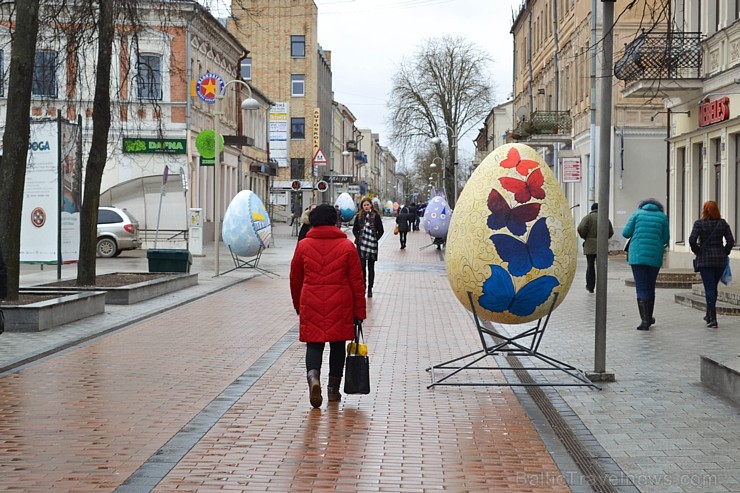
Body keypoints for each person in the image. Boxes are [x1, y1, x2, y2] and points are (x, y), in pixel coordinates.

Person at [290, 204, 366, 408]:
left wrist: (298, 304)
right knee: (337, 345)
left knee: (314, 345)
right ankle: (333, 390)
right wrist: (359, 311)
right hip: (340, 302)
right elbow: (357, 282)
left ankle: (313, 379)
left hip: (311, 300)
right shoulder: (347, 246)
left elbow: (295, 278)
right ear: (335, 221)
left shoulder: (303, 245)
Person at [622, 198, 670, 331]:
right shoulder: (662, 217)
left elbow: (625, 233)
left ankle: (644, 321)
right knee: (650, 285)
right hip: (654, 255)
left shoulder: (636, 214)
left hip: (637, 255)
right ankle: (649, 317)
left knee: (641, 286)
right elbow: (666, 238)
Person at [689, 201, 734, 328]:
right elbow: (731, 241)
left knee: (709, 288)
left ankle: (713, 319)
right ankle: (709, 314)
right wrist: (724, 252)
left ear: (704, 210)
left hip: (705, 260)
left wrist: (698, 252)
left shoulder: (699, 224)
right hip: (720, 260)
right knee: (713, 287)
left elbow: (692, 240)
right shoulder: (722, 223)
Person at [577, 203, 614, 293]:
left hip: (590, 245)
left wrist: (585, 237)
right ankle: (601, 287)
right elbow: (610, 232)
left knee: (590, 266)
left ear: (592, 209)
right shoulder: (605, 219)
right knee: (601, 267)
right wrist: (604, 238)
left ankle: (590, 286)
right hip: (602, 245)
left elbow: (580, 228)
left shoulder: (588, 218)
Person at [352, 198, 384, 297]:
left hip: (372, 245)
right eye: (364, 205)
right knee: (362, 267)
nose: (366, 207)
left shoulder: (376, 216)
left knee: (371, 267)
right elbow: (354, 230)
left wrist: (374, 239)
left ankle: (370, 287)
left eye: (368, 205)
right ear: (362, 206)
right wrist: (358, 239)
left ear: (371, 205)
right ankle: (364, 286)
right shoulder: (358, 216)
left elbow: (381, 231)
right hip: (361, 245)